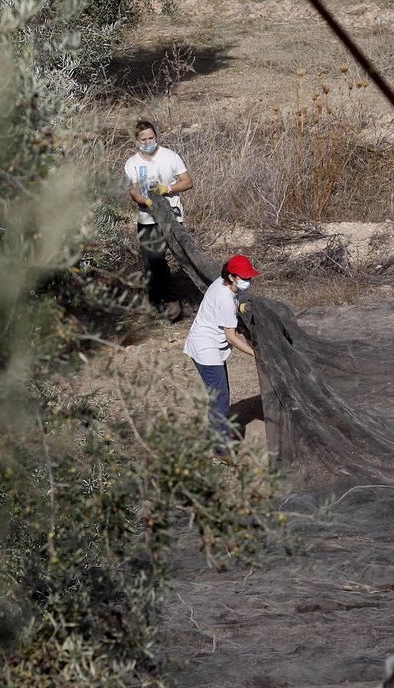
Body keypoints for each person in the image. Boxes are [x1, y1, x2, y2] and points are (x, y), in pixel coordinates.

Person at [183, 254, 259, 451]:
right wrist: (255, 354)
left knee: (220, 394)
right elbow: (231, 337)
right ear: (232, 277)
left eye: (249, 277)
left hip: (210, 345)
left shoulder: (222, 282)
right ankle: (221, 449)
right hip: (206, 348)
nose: (248, 281)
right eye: (244, 278)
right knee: (220, 397)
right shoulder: (224, 298)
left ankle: (218, 433)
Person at [124, 120, 194, 322]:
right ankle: (160, 304)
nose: (148, 141)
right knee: (152, 261)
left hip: (172, 217)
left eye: (151, 138)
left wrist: (168, 189)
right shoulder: (132, 163)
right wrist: (146, 201)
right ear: (137, 141)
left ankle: (188, 298)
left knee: (181, 257)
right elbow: (134, 191)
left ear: (156, 137)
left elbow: (187, 181)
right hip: (147, 218)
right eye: (143, 139)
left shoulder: (170, 156)